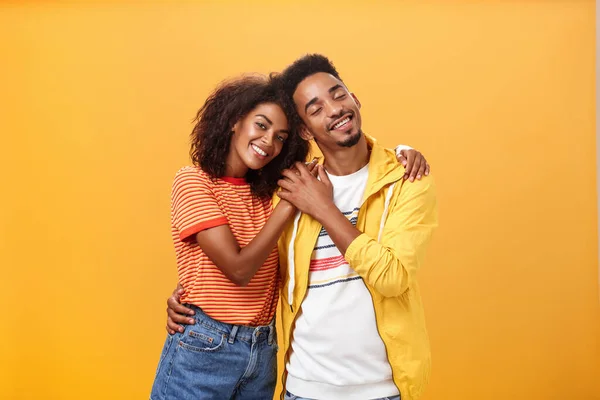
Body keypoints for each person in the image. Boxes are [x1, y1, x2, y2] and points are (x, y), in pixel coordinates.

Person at [165, 55, 437, 400]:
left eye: (339, 96)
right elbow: (239, 265)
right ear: (306, 129)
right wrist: (190, 296)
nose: (334, 109)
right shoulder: (285, 192)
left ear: (355, 99)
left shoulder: (404, 179)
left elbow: (392, 278)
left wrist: (397, 154)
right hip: (296, 383)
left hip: (371, 386)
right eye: (315, 108)